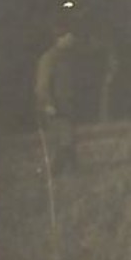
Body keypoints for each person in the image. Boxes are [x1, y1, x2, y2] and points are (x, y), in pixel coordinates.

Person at [34, 25, 82, 175]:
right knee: (65, 140)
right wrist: (48, 104)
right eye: (69, 36)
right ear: (60, 38)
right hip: (56, 107)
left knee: (69, 139)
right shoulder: (49, 58)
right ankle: (56, 172)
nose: (72, 39)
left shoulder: (67, 57)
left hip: (67, 105)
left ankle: (72, 172)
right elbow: (42, 84)